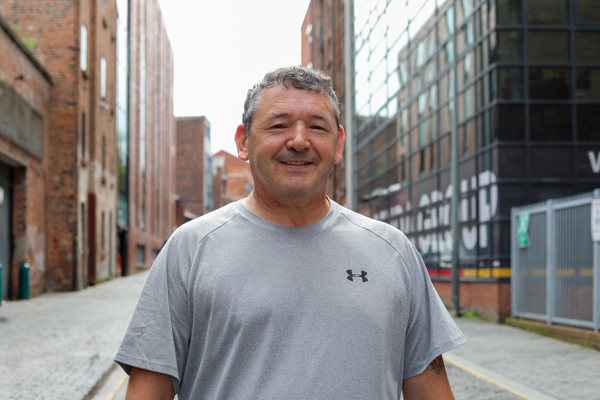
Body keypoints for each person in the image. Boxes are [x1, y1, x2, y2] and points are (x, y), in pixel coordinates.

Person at [115, 66, 466, 399]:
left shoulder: (393, 252)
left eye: (317, 127)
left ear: (339, 144)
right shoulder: (190, 249)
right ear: (243, 141)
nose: (299, 141)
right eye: (279, 126)